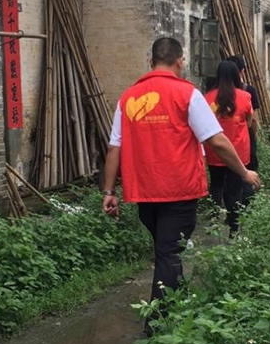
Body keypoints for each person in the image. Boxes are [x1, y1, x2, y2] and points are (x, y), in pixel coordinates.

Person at [101, 38, 261, 328]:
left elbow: (115, 147)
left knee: (166, 250)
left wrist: (109, 191)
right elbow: (217, 141)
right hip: (179, 189)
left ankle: (178, 304)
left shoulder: (128, 98)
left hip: (144, 193)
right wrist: (243, 172)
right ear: (180, 61)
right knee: (169, 254)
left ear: (151, 63)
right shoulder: (187, 94)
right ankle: (157, 325)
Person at [204, 61, 254, 236]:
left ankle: (213, 220)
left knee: (216, 184)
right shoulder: (245, 97)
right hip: (237, 151)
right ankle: (233, 228)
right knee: (234, 189)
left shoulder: (208, 98)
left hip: (215, 149)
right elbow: (250, 121)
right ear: (236, 75)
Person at [226, 56, 260, 197]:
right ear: (242, 71)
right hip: (244, 140)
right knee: (248, 169)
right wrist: (253, 134)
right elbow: (254, 119)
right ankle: (245, 201)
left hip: (223, 141)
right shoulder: (248, 91)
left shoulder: (215, 93)